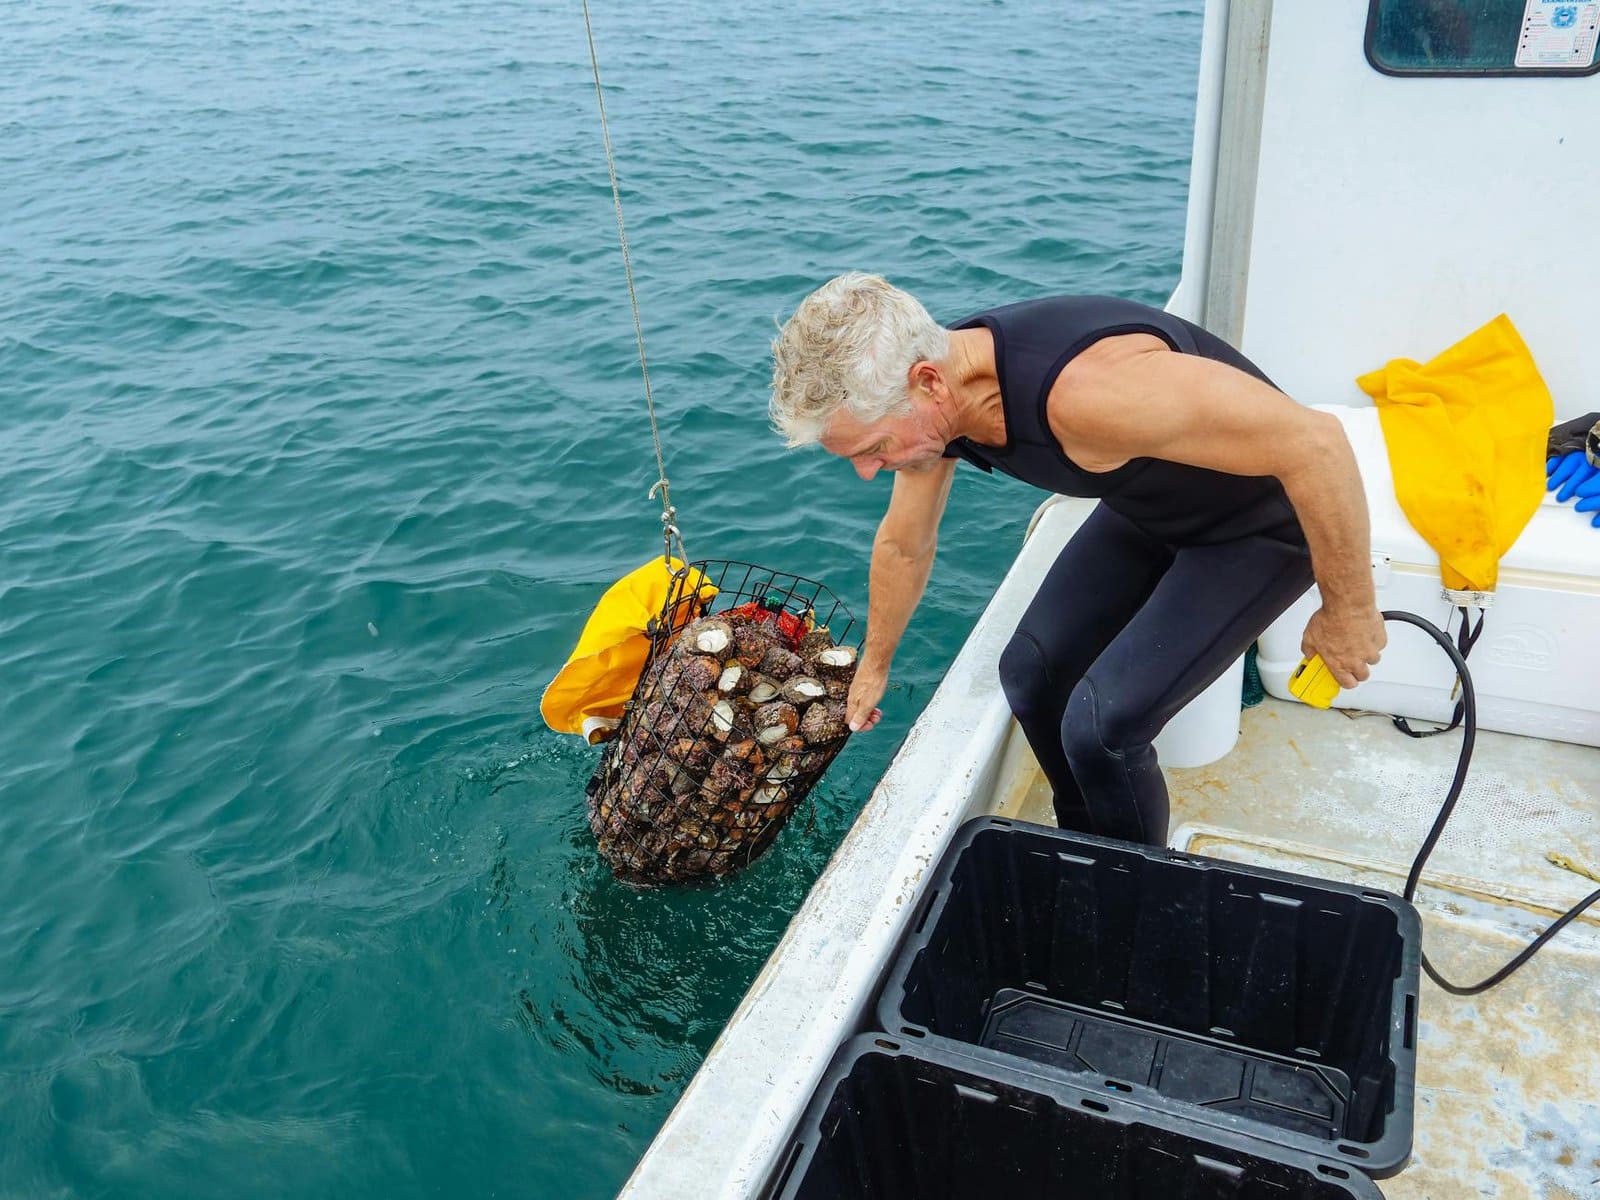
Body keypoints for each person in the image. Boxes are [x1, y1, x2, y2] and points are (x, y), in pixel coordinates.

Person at [767, 273, 1385, 846]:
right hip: (1150, 507)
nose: (867, 471)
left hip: (1262, 529)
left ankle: (1135, 890)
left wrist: (1349, 610)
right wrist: (874, 666)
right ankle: (1082, 846)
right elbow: (905, 543)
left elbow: (1317, 444)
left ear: (928, 382)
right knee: (1032, 676)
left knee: (1102, 728)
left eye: (874, 447)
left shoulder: (1090, 392)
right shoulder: (938, 400)